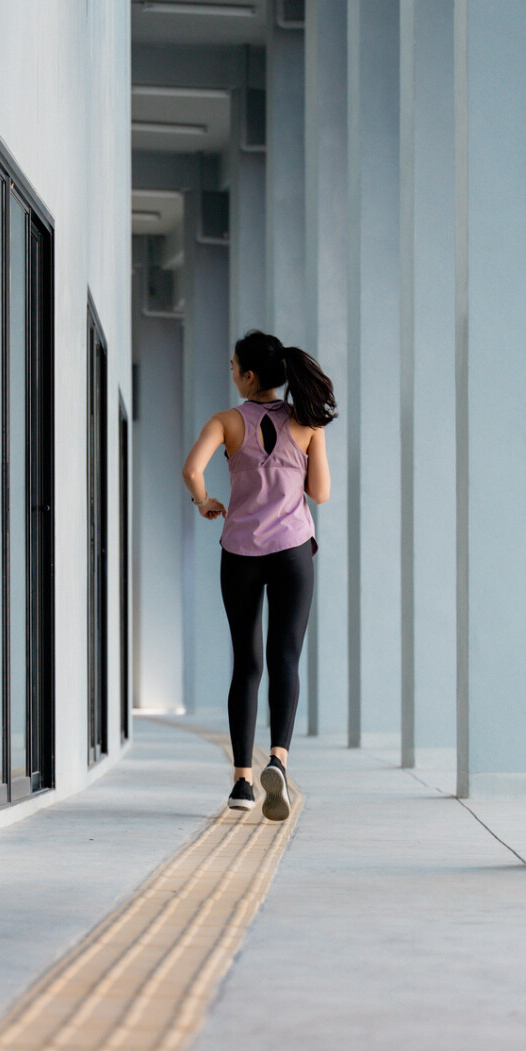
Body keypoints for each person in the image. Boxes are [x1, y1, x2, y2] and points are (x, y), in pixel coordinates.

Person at [180, 331, 336, 820]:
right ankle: (278, 762)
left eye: (233, 367)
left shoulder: (225, 422)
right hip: (292, 551)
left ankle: (242, 785)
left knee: (246, 663)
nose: (231, 373)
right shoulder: (307, 423)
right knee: (284, 656)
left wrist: (204, 500)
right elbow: (321, 493)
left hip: (241, 551)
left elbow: (191, 470)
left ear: (248, 376)